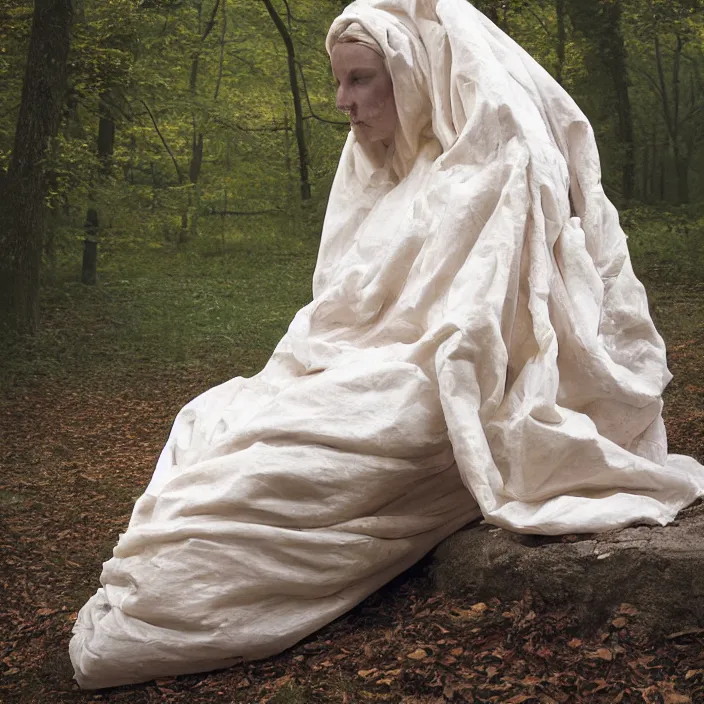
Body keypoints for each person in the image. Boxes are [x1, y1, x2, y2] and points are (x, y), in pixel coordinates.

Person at [69, 0, 704, 689]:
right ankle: (170, 579)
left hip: (441, 377)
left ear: (408, 75)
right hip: (362, 365)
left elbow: (490, 317)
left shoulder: (480, 172)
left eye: (361, 80)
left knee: (284, 464)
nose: (343, 102)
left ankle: (173, 593)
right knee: (213, 421)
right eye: (338, 82)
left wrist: (429, 358)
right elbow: (342, 309)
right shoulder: (385, 178)